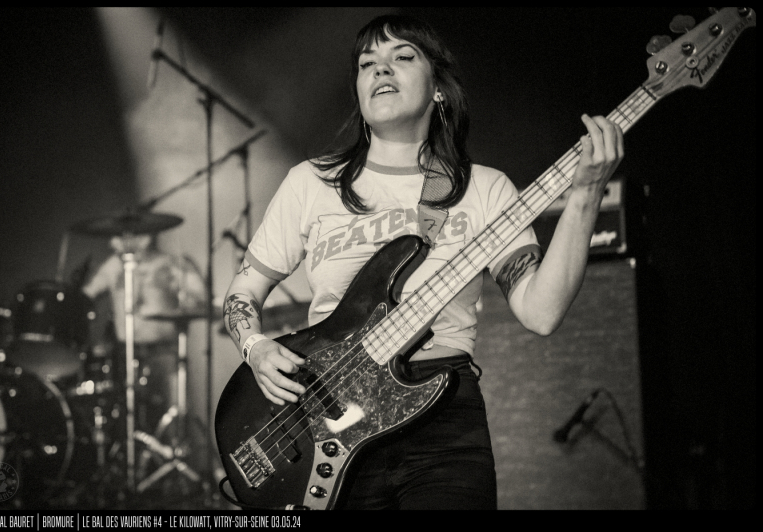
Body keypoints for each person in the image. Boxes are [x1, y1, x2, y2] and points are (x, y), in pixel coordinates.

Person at [222, 14, 623, 510]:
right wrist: (256, 348)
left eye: (402, 56)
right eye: (367, 63)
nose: (380, 69)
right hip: (327, 418)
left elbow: (541, 313)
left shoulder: (485, 189)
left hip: (443, 420)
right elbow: (242, 293)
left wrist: (586, 194)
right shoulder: (311, 183)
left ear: (438, 89)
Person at [83, 233, 207, 433]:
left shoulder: (170, 263)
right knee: (127, 416)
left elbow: (202, 296)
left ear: (147, 237)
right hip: (124, 354)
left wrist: (184, 294)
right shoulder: (113, 265)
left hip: (165, 352)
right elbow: (87, 295)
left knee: (174, 413)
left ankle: (175, 443)